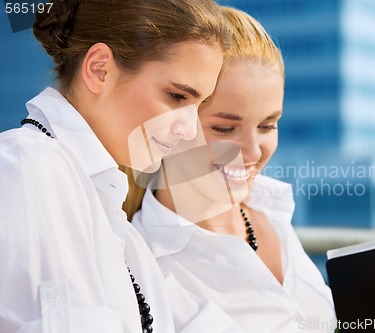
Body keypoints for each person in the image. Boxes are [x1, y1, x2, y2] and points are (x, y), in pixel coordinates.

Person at [0, 0, 230, 332]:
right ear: (99, 69)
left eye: (200, 104)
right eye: (177, 97)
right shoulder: (30, 167)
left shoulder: (117, 225)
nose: (190, 129)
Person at [126, 6, 337, 333]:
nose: (253, 152)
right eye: (225, 129)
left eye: (267, 126)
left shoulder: (274, 215)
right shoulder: (142, 268)